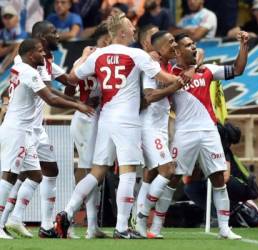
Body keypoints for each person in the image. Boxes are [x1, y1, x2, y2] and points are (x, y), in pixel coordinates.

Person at [54, 12, 183, 239]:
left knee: (97, 171)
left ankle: (67, 211)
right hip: (127, 121)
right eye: (131, 27)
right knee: (128, 173)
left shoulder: (99, 55)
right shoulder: (135, 54)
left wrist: (84, 56)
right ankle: (122, 227)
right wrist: (180, 79)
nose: (134, 30)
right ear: (122, 32)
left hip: (105, 118)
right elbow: (162, 75)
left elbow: (73, 77)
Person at [149, 31, 249, 239]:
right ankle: (156, 226)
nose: (194, 47)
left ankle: (224, 228)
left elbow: (238, 70)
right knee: (173, 179)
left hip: (209, 131)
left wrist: (243, 46)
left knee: (219, 178)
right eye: (188, 45)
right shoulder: (170, 73)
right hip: (184, 132)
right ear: (177, 50)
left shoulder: (207, 70)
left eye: (194, 44)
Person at [0, 38, 94, 239]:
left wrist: (77, 101)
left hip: (25, 131)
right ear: (30, 54)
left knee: (35, 175)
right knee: (9, 174)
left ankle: (14, 218)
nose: (44, 54)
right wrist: (79, 105)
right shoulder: (29, 71)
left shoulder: (20, 66)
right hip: (17, 130)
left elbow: (55, 90)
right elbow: (50, 98)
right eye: (40, 51)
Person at [64, 21, 111, 239]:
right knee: (86, 169)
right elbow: (69, 84)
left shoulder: (109, 58)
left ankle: (92, 226)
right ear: (108, 38)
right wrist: (83, 57)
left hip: (100, 118)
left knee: (96, 171)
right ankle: (68, 220)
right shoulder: (90, 57)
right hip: (86, 118)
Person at [136, 30, 184, 238]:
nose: (174, 45)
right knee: (168, 169)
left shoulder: (165, 66)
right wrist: (174, 86)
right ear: (158, 48)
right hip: (149, 126)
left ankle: (138, 221)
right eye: (170, 42)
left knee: (152, 172)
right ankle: (140, 216)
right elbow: (149, 95)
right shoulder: (152, 67)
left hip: (160, 126)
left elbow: (197, 54)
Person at [0, 5, 28, 74]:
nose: (8, 20)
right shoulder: (1, 32)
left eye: (10, 17)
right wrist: (12, 46)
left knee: (18, 46)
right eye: (5, 17)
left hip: (19, 61)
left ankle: (3, 68)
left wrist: (9, 48)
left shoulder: (21, 32)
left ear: (17, 18)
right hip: (4, 59)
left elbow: (17, 49)